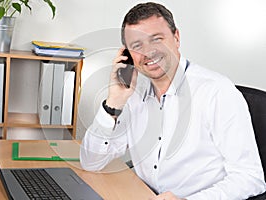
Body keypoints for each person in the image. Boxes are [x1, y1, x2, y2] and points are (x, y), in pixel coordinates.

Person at [80, 2, 266, 199]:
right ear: (127, 54)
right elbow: (91, 162)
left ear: (176, 38)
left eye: (156, 39)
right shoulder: (132, 95)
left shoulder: (216, 92)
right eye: (136, 45)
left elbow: (250, 178)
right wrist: (114, 102)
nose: (148, 52)